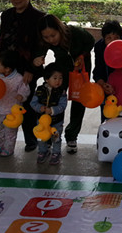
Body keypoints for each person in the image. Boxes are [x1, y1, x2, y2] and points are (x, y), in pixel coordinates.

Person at [0, 0, 45, 152]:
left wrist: (31, 70)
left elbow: (40, 47)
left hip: (26, 68)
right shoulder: (6, 15)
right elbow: (2, 38)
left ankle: (30, 139)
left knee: (25, 103)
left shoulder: (39, 17)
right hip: (4, 67)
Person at [33, 14, 95, 155]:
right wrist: (38, 58)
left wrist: (82, 55)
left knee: (79, 100)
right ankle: (49, 133)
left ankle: (72, 136)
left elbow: (91, 40)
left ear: (60, 29)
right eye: (46, 37)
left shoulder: (75, 32)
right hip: (62, 68)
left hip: (81, 69)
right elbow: (40, 50)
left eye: (53, 35)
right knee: (53, 98)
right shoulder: (45, 40)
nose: (50, 40)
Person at [0, 51, 31, 157]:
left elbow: (25, 89)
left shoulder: (18, 78)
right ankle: (1, 145)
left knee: (10, 132)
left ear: (7, 69)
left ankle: (9, 149)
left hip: (12, 112)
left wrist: (21, 95)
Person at [30, 63, 68, 165]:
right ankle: (43, 151)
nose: (58, 81)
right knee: (41, 137)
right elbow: (33, 103)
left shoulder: (62, 92)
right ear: (47, 79)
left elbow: (62, 106)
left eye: (60, 78)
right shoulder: (40, 90)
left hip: (56, 122)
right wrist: (40, 108)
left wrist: (52, 110)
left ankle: (56, 153)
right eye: (55, 78)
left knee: (56, 138)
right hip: (42, 121)